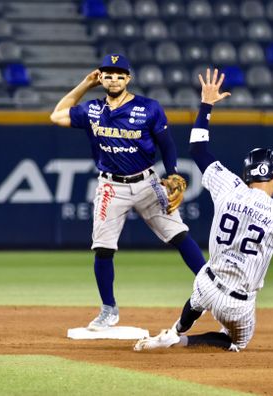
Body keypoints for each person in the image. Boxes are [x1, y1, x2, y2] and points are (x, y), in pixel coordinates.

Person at [134, 69, 273, 352]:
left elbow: (197, 149)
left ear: (247, 174)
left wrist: (206, 104)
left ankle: (174, 330)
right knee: (236, 342)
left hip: (206, 283)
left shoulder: (229, 185)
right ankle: (179, 340)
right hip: (237, 304)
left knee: (199, 296)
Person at [49, 54, 205, 330]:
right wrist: (84, 84)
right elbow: (56, 115)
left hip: (147, 182)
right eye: (108, 74)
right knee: (103, 249)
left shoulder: (149, 108)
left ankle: (210, 289)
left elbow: (166, 144)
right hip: (111, 185)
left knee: (179, 234)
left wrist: (174, 174)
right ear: (102, 78)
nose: (114, 79)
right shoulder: (92, 110)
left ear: (128, 78)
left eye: (120, 74)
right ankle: (109, 309)